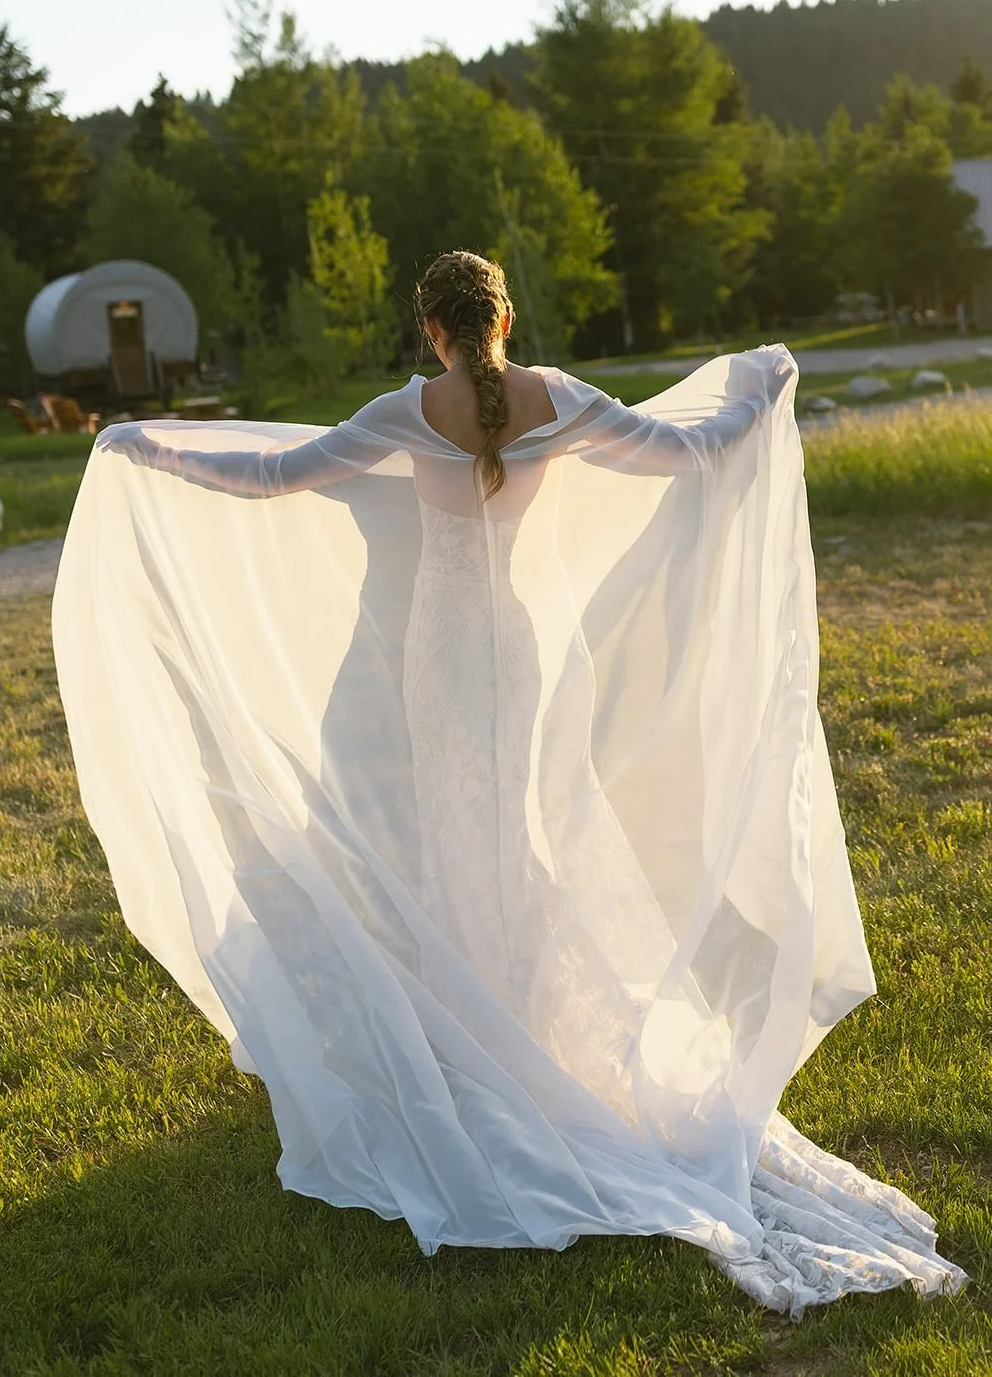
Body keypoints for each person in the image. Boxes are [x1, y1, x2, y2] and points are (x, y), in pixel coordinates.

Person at [54, 251, 966, 1318]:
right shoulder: (558, 398)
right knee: (521, 827)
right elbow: (691, 451)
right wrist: (760, 389)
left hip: (439, 656)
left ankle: (482, 1026)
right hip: (516, 649)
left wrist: (140, 446)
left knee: (457, 830)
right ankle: (518, 1012)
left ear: (430, 331)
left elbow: (270, 477)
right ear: (502, 318)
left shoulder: (407, 409)